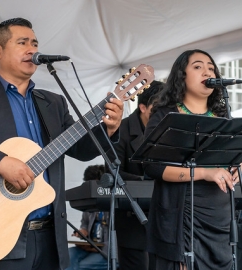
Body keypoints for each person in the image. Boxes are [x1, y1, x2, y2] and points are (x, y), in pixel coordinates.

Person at [0, 17, 123, 270]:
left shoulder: (53, 102)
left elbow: (81, 149)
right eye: (22, 42)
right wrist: (1, 162)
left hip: (50, 236)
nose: (32, 50)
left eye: (35, 43)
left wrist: (109, 129)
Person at [143, 49, 240, 270]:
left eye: (210, 67)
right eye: (197, 66)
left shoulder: (224, 118)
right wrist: (205, 173)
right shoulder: (164, 115)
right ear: (181, 76)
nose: (207, 70)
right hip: (181, 218)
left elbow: (234, 158)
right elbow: (153, 167)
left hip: (220, 218)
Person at [105, 81, 164, 270]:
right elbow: (112, 171)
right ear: (143, 107)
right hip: (132, 221)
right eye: (158, 109)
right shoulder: (120, 130)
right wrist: (146, 181)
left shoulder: (168, 130)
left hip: (164, 219)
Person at [67, 164, 111, 270]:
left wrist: (97, 248)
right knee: (66, 257)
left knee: (82, 266)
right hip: (90, 247)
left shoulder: (114, 203)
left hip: (107, 251)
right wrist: (83, 231)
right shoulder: (89, 202)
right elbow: (85, 223)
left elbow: (119, 238)